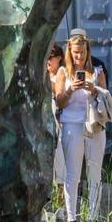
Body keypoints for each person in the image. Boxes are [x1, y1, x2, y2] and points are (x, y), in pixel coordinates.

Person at [52, 29, 110, 222]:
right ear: (70, 51)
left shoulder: (98, 71)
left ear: (87, 51)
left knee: (94, 173)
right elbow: (59, 102)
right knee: (72, 173)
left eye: (82, 52)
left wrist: (94, 89)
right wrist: (71, 89)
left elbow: (106, 98)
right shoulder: (62, 72)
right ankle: (71, 219)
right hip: (71, 125)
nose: (79, 56)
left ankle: (93, 219)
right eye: (76, 52)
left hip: (93, 126)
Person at [47, 43, 66, 188]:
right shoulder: (47, 73)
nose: (48, 60)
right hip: (47, 123)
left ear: (59, 58)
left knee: (60, 167)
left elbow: (59, 94)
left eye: (51, 57)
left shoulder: (61, 72)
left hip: (59, 125)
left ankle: (59, 209)